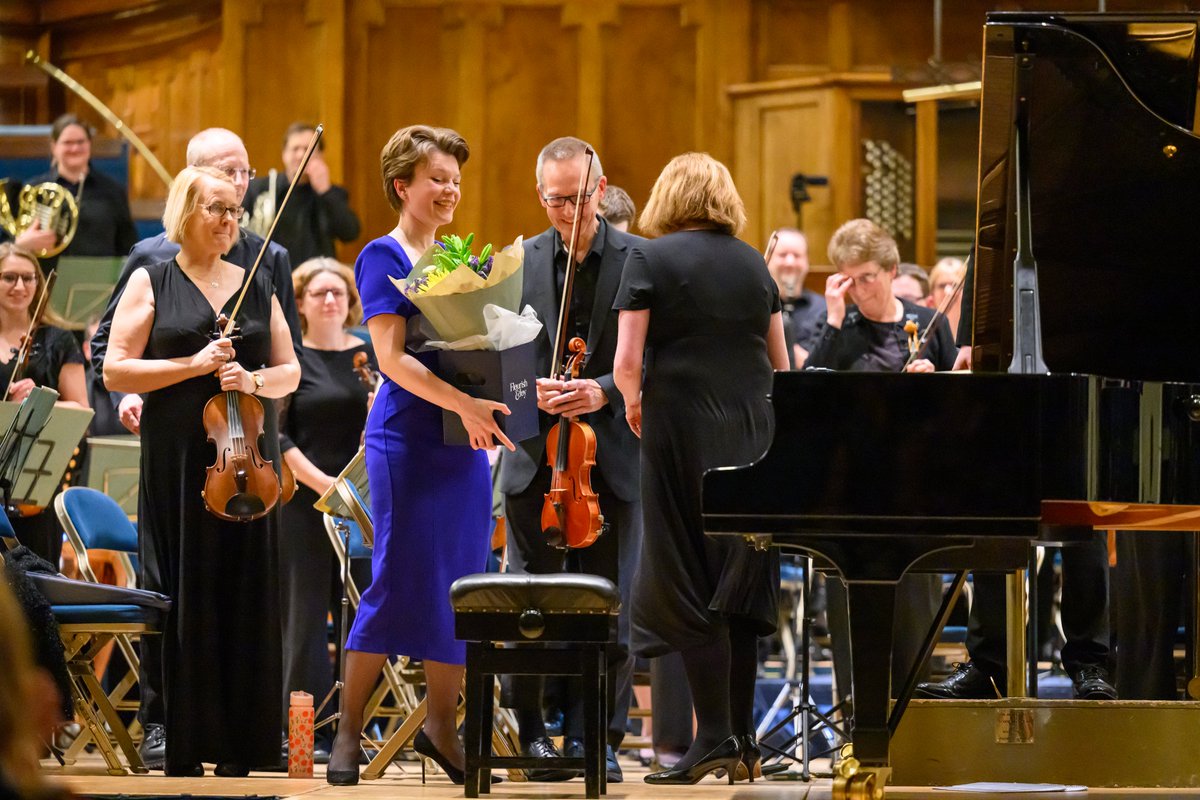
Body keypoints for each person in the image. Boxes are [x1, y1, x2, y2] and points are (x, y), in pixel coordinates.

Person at [88, 126, 301, 771]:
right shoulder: (153, 276)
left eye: (237, 211)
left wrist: (252, 379)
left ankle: (243, 741)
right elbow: (116, 370)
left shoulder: (258, 280)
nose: (231, 221)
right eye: (219, 209)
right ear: (187, 210)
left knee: (246, 590)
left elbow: (291, 370)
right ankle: (178, 731)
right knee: (185, 585)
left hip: (246, 461)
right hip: (180, 457)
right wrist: (193, 364)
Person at [325, 125, 514, 786]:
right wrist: (465, 403)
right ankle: (346, 734)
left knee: (460, 585)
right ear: (402, 184)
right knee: (396, 580)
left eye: (456, 181)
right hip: (404, 439)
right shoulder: (382, 255)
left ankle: (441, 726)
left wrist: (504, 383)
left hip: (461, 444)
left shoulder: (454, 256)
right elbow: (391, 359)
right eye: (438, 179)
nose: (450, 191)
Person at [613, 152, 789, 785]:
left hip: (682, 433)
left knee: (683, 574)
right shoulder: (753, 262)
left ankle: (711, 734)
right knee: (739, 579)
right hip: (752, 433)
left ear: (668, 196)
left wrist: (634, 408)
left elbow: (627, 362)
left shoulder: (648, 258)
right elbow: (781, 362)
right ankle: (743, 741)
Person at [496, 136, 643, 783]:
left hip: (610, 459)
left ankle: (597, 738)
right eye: (557, 200)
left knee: (610, 606)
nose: (570, 211)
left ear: (602, 188)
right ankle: (532, 735)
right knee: (531, 608)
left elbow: (660, 361)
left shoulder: (641, 259)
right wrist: (537, 395)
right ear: (540, 195)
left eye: (582, 198)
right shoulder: (517, 262)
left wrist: (601, 389)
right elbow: (500, 371)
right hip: (534, 462)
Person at [806, 219, 952, 702]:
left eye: (867, 277)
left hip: (918, 492)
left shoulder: (929, 324)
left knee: (917, 614)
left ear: (891, 271)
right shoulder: (840, 330)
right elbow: (808, 394)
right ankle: (855, 723)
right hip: (851, 496)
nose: (859, 289)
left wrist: (938, 381)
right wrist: (831, 317)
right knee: (852, 615)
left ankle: (915, 724)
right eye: (848, 279)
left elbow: (963, 404)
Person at [277, 257, 374, 760]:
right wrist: (325, 487)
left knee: (365, 613)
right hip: (304, 503)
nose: (331, 300)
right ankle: (303, 734)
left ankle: (357, 726)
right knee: (306, 618)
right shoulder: (292, 356)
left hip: (365, 502)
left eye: (339, 292)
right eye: (319, 294)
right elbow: (277, 432)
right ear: (300, 303)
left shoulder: (372, 353)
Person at [0, 243, 90, 568]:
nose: (20, 287)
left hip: (35, 488)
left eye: (28, 278)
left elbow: (81, 411)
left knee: (38, 584)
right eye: (9, 277)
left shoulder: (59, 340)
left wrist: (41, 403)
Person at [24, 114, 138, 270]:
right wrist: (22, 244)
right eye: (68, 143)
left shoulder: (113, 191)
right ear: (54, 147)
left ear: (90, 144)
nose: (75, 148)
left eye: (80, 142)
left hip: (100, 283)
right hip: (45, 284)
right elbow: (9, 245)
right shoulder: (34, 190)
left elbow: (128, 246)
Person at [243, 122, 361, 265]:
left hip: (315, 278)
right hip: (270, 276)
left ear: (320, 155)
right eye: (295, 149)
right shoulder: (259, 188)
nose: (300, 155)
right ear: (284, 154)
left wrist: (325, 192)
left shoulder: (332, 194)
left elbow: (350, 233)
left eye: (307, 149)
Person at [764, 228, 824, 368]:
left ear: (807, 262)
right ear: (768, 260)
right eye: (783, 255)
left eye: (797, 256)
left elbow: (823, 364)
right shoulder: (757, 305)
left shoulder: (822, 308)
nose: (790, 262)